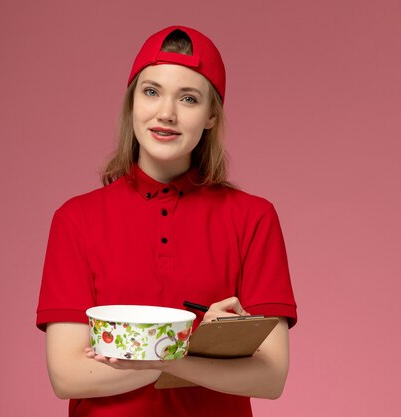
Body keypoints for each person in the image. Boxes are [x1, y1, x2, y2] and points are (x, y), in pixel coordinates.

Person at [36, 25, 297, 417]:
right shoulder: (76, 219)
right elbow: (68, 375)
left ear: (211, 115)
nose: (166, 114)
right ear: (132, 102)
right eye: (151, 91)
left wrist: (155, 359)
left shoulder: (254, 218)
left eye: (189, 98)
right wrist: (209, 352)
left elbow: (270, 377)